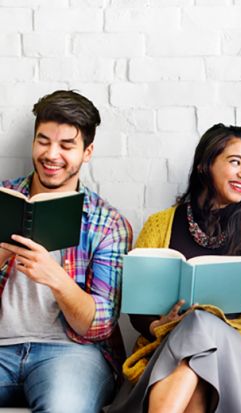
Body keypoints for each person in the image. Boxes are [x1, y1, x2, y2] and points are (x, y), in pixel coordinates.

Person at [111, 124, 241, 413]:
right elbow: (139, 308)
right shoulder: (161, 224)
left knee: (200, 322)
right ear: (204, 165)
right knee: (196, 365)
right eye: (235, 162)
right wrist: (155, 325)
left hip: (238, 360)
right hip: (171, 354)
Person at [0, 90, 133, 412]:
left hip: (71, 353)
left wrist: (57, 279)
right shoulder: (2, 199)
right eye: (43, 141)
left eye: (66, 145)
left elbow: (99, 325)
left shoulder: (108, 223)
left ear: (87, 152)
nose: (51, 154)